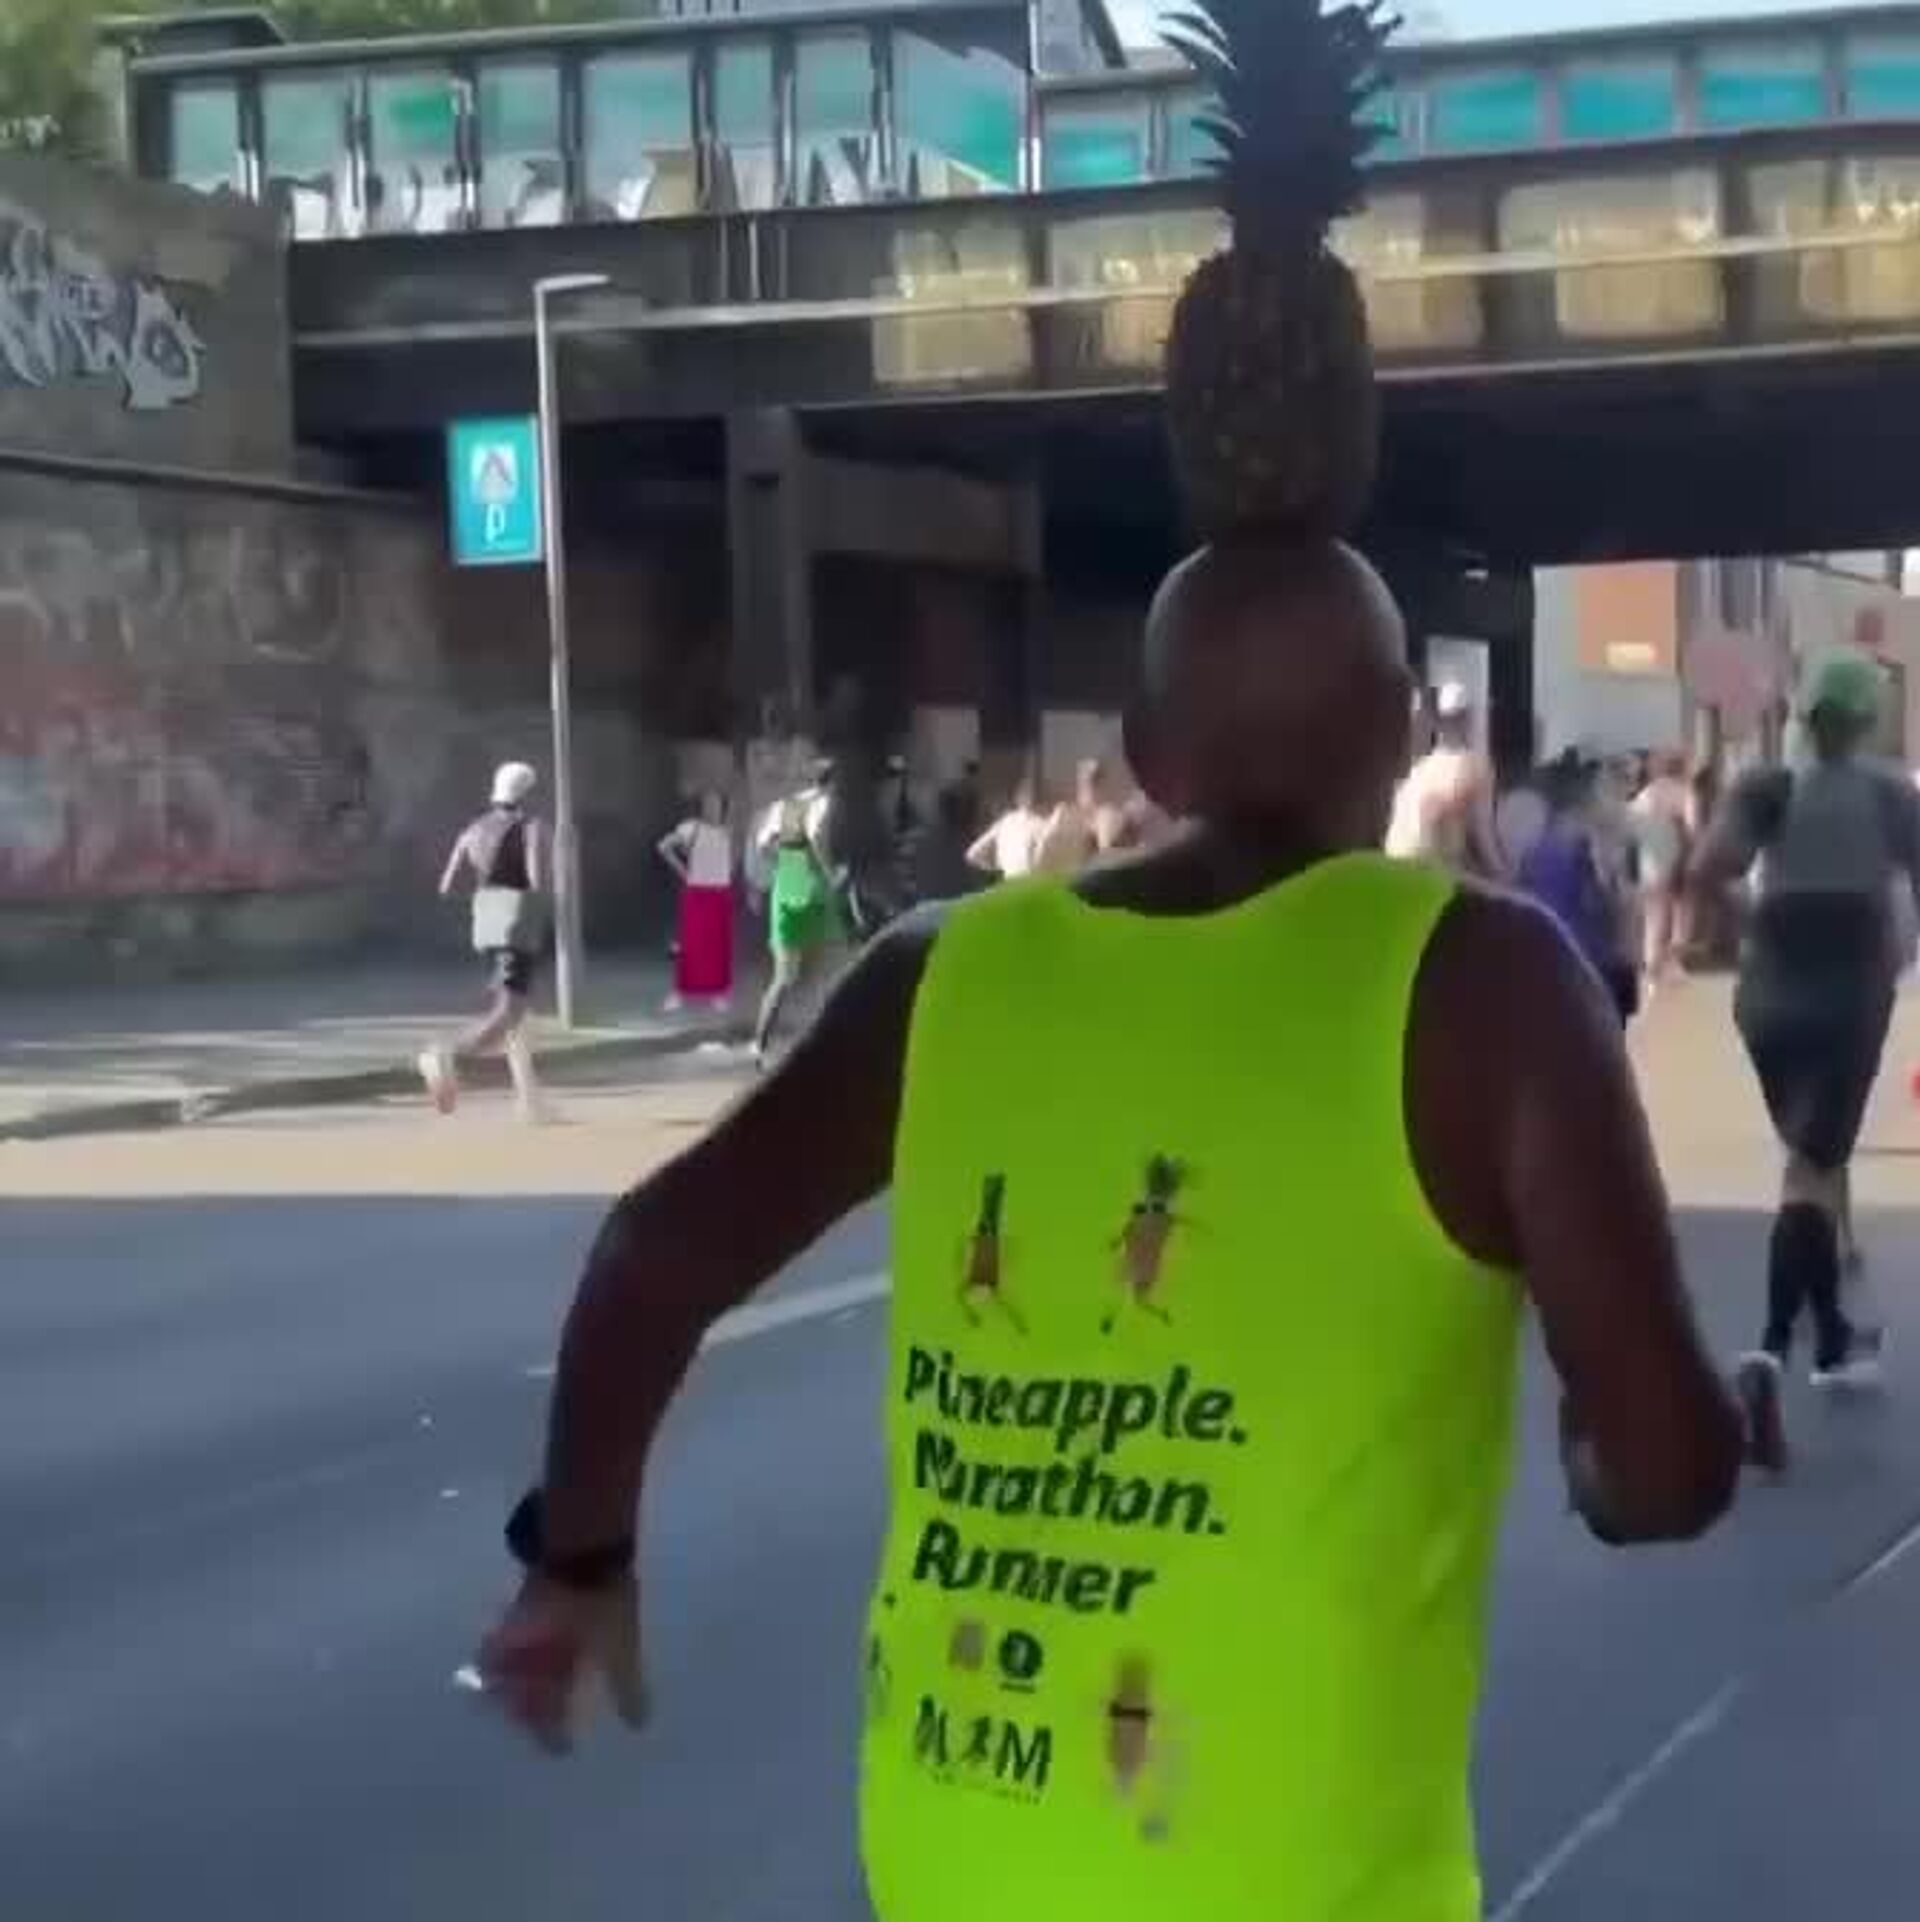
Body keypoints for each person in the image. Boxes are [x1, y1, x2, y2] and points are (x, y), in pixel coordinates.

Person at [472, 540, 1764, 1918]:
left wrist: (578, 1559)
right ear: (1399, 737)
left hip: (955, 1864)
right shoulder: (1485, 984)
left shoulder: (941, 973)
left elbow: (653, 1251)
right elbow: (1670, 1469)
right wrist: (1598, 1468)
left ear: (1145, 753)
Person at [1694, 653, 1920, 1394]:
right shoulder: (1888, 794)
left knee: (1810, 1161)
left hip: (1768, 993)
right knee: (1810, 1173)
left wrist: (1753, 922)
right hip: (1847, 993)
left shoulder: (1768, 785)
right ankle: (1773, 1345)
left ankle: (1829, 1336)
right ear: (1866, 719)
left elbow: (1708, 869)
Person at [418, 760, 550, 1122]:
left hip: (486, 923)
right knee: (509, 1011)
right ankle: (446, 1055)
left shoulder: (473, 829)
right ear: (528, 793)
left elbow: (448, 886)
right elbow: (536, 880)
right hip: (516, 923)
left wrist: (486, 893)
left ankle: (531, 1102)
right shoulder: (532, 827)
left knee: (516, 1013)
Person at [1517, 752, 1638, 1026]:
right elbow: (1611, 906)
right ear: (1587, 797)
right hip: (1591, 965)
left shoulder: (1536, 849)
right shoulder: (1588, 848)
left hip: (1551, 962)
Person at [750, 783, 843, 1067]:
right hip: (813, 882)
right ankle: (823, 1041)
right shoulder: (825, 803)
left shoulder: (782, 806)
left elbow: (762, 845)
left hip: (788, 880)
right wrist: (830, 873)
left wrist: (783, 864)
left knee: (785, 975)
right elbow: (816, 836)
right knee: (831, 964)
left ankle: (759, 1046)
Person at [1384, 681, 1505, 878]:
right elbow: (1483, 836)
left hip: (1398, 868)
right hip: (1430, 872)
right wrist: (1507, 879)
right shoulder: (1474, 766)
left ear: (1436, 722)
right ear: (1468, 719)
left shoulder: (1419, 770)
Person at [657, 790, 736, 1012]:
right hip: (697, 892)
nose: (713, 809)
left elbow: (729, 860)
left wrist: (726, 874)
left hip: (720, 893)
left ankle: (717, 993)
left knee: (717, 946)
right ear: (702, 807)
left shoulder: (726, 832)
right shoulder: (691, 828)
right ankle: (679, 993)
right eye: (709, 804)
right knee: (691, 944)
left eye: (717, 805)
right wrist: (684, 872)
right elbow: (663, 846)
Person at [1629, 748, 1694, 996]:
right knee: (1680, 913)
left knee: (1653, 915)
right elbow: (1693, 825)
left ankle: (1651, 969)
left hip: (1650, 857)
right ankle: (1672, 964)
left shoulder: (1646, 794)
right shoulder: (1683, 792)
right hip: (1677, 856)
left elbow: (1632, 825)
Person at [1034, 756, 1125, 873]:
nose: (1086, 790)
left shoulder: (1106, 815)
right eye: (1084, 782)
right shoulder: (1065, 814)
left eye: (1089, 782)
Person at [967, 777, 1049, 881]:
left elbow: (972, 854)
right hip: (1032, 885)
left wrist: (996, 867)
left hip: (1009, 884)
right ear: (1044, 802)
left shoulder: (1005, 821)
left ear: (1017, 799)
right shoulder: (1043, 825)